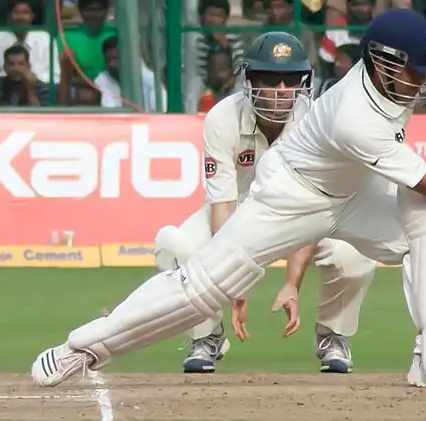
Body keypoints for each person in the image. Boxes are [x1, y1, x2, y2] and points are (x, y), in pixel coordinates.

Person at [30, 8, 426, 388]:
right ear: (384, 63)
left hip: (356, 192)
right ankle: (83, 348)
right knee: (204, 288)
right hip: (292, 195)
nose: (425, 80)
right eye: (416, 71)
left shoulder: (411, 59)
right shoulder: (356, 117)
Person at [152, 32, 376, 375]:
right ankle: (207, 336)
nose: (281, 89)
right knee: (175, 245)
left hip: (304, 210)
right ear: (250, 81)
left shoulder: (316, 121)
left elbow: (314, 209)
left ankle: (334, 335)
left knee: (353, 256)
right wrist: (232, 285)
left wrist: (292, 284)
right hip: (242, 210)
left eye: (290, 80)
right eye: (270, 80)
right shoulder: (222, 117)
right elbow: (223, 205)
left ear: (305, 82)